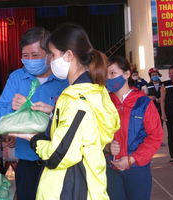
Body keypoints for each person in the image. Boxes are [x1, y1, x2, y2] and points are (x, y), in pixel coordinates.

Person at [9, 23, 120, 200]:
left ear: (68, 55)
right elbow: (80, 134)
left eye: (52, 55)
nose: (49, 61)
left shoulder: (77, 99)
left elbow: (56, 156)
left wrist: (31, 136)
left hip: (74, 189)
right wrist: (53, 113)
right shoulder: (94, 91)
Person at [0, 27, 69, 200]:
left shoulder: (65, 80)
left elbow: (73, 119)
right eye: (25, 56)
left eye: (35, 55)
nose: (29, 60)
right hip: (27, 162)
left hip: (59, 163)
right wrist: (13, 110)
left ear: (50, 54)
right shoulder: (16, 78)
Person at [105, 56, 163, 200]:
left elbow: (155, 137)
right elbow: (93, 133)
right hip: (110, 169)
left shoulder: (143, 103)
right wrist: (106, 147)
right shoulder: (104, 103)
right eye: (105, 74)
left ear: (127, 74)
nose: (108, 78)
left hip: (137, 169)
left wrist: (132, 159)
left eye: (112, 73)